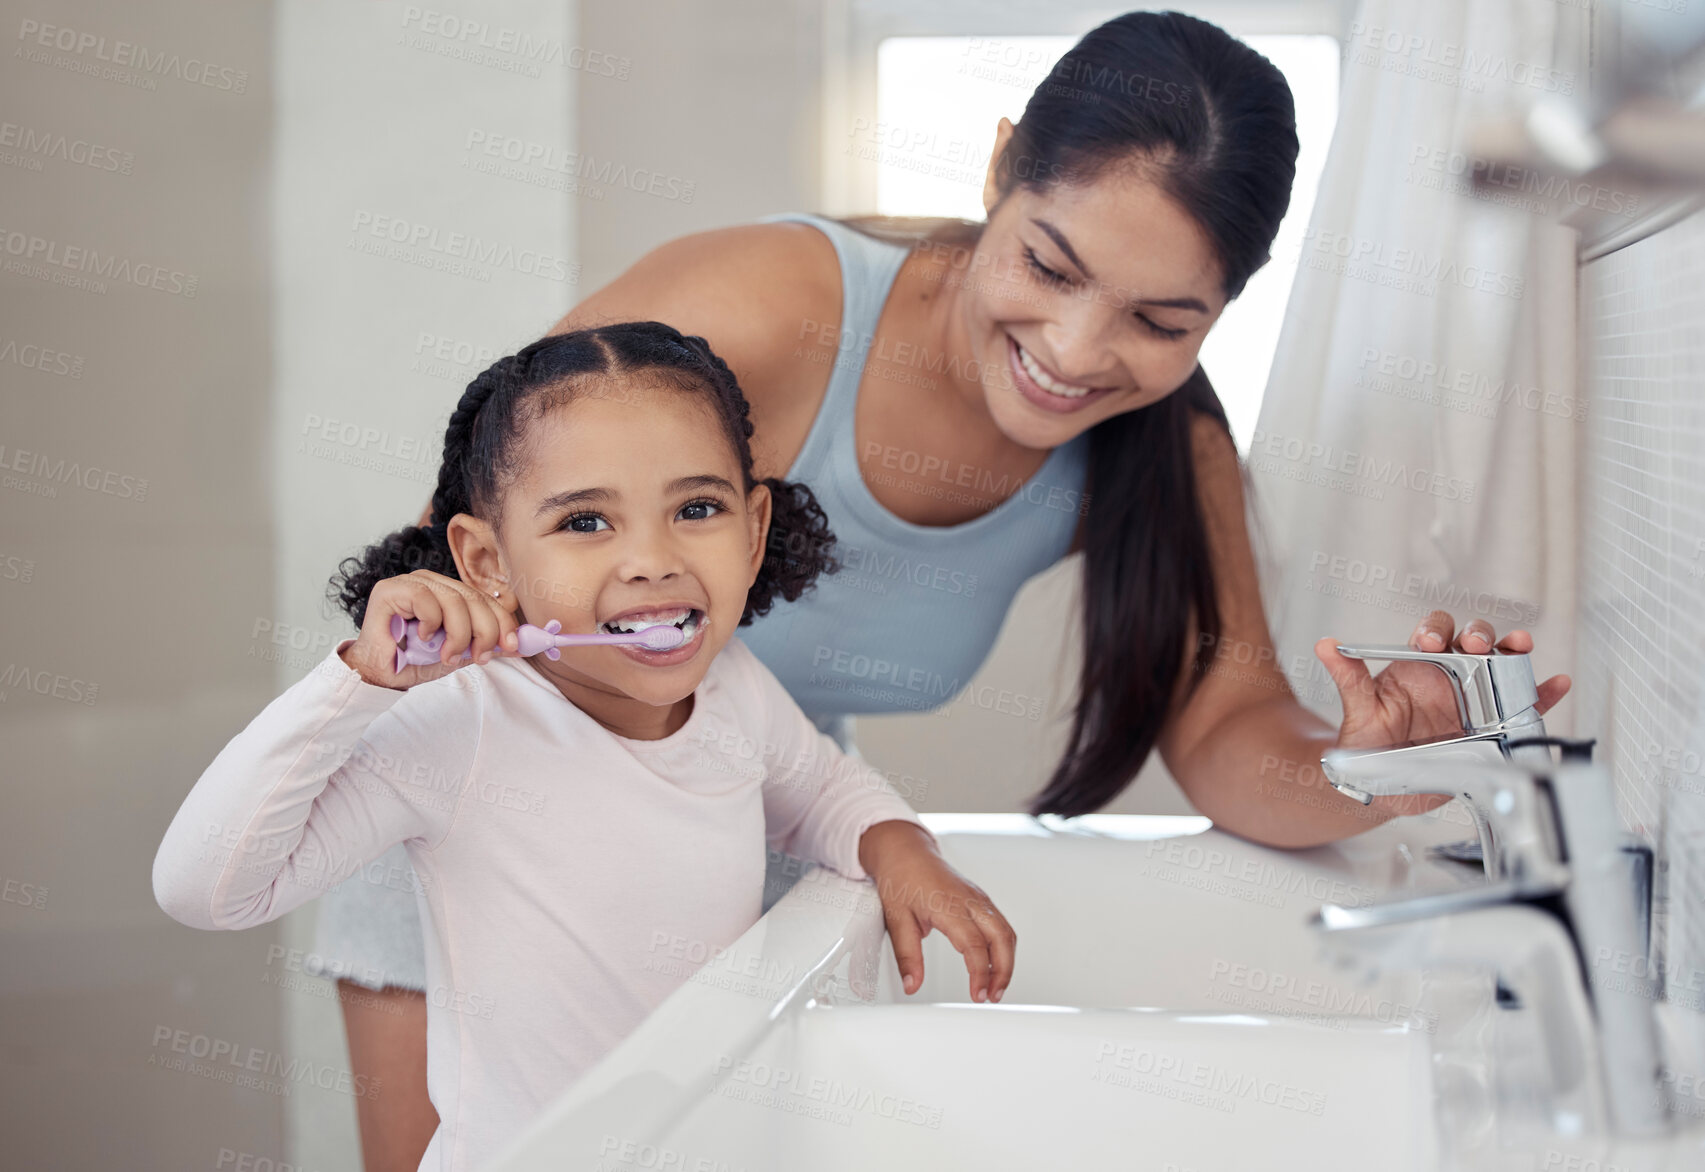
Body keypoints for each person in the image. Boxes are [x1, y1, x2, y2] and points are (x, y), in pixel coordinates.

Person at [315, 11, 1573, 1168]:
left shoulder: (1163, 446)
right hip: (490, 823)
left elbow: (1229, 726)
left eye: (1160, 318)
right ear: (996, 169)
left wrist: (1364, 767)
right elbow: (457, 556)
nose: (1078, 353)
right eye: (1051, 264)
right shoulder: (759, 316)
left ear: (1221, 313)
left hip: (748, 840)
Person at [153, 322, 1016, 1172]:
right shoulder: (459, 724)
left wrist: (898, 847)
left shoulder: (732, 687)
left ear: (753, 533)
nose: (651, 559)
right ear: (487, 562)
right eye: (585, 523)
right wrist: (357, 682)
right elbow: (209, 888)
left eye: (697, 509)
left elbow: (820, 794)